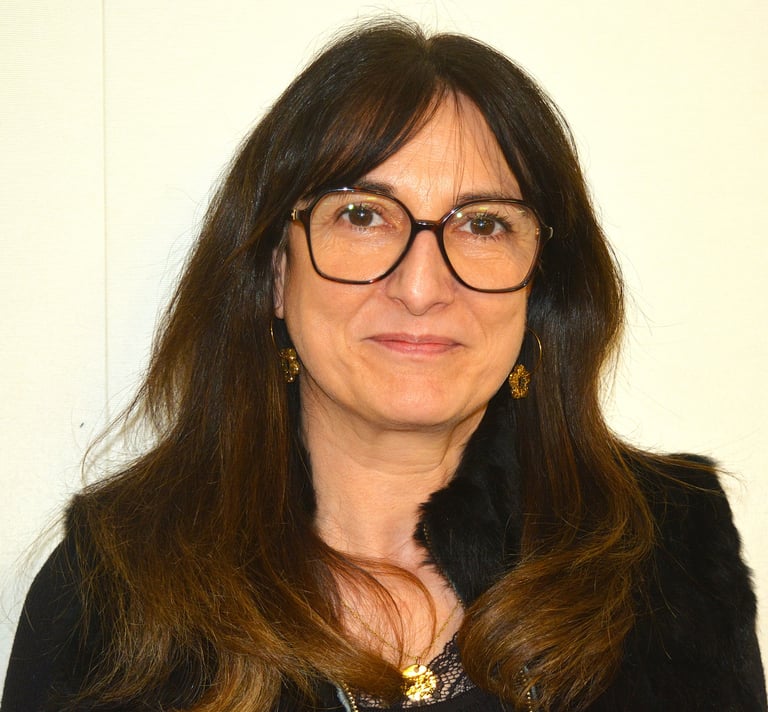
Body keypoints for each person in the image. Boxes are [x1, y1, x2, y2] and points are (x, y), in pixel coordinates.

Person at [2, 19, 765, 712]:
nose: (422, 286)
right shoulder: (116, 584)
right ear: (275, 274)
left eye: (483, 225)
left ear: (541, 286)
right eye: (362, 215)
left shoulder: (667, 557)